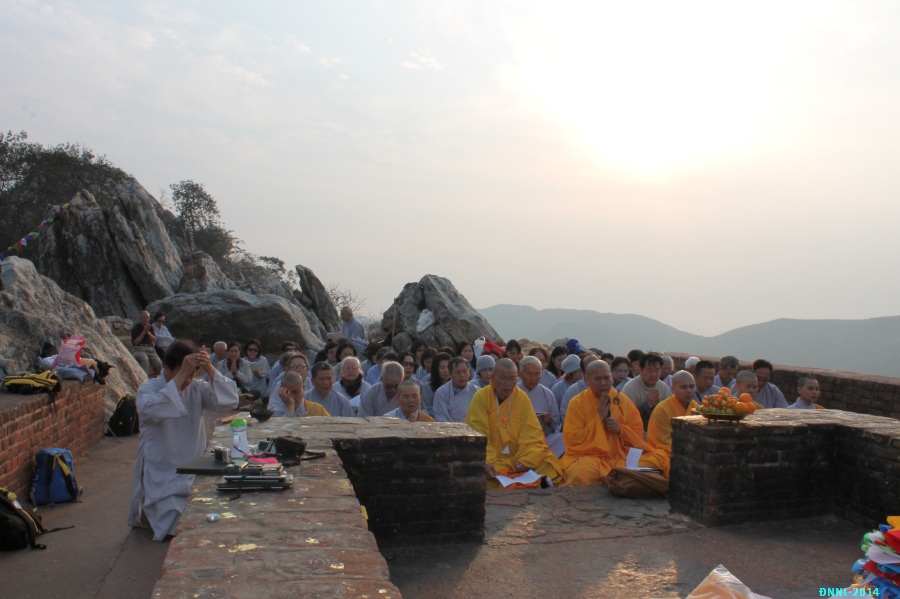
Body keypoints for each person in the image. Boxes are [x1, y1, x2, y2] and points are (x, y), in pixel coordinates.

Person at [128, 340, 238, 541]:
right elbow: (151, 409)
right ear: (166, 368)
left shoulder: (197, 387)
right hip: (162, 469)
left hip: (191, 466)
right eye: (183, 372)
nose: (188, 379)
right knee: (174, 522)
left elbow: (228, 401)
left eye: (192, 373)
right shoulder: (149, 389)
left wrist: (210, 369)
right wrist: (180, 377)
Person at [560, 361, 664, 486]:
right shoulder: (577, 403)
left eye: (606, 378)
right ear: (587, 380)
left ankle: (618, 477)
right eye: (598, 379)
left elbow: (637, 432)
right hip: (591, 457)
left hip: (622, 456)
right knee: (582, 472)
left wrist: (620, 429)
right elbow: (573, 440)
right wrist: (599, 419)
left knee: (658, 460)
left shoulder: (621, 399)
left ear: (611, 377)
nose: (603, 383)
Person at [465, 358, 565, 488]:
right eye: (503, 378)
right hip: (494, 458)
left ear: (517, 378)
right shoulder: (481, 398)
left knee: (546, 464)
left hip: (518, 457)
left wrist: (525, 460)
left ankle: (528, 478)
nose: (508, 384)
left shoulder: (521, 398)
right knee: (487, 472)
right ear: (493, 378)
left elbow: (532, 434)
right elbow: (478, 433)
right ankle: (532, 481)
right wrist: (487, 460)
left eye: (512, 379)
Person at [646, 370, 699, 478]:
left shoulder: (696, 407)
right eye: (683, 387)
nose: (689, 391)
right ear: (673, 388)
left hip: (690, 452)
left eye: (692, 386)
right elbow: (664, 442)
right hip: (664, 453)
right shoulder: (662, 409)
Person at [621, 352, 672, 429]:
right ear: (641, 369)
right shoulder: (630, 388)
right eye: (650, 370)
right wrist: (647, 404)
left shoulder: (664, 388)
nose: (654, 374)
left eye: (657, 370)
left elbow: (669, 414)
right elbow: (626, 417)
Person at [518, 356, 560, 436]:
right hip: (517, 436)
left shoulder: (547, 394)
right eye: (529, 374)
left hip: (542, 437)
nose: (533, 378)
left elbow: (556, 422)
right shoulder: (512, 392)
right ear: (520, 374)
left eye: (537, 374)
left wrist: (549, 420)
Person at [432, 357, 480, 423]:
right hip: (449, 428)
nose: (462, 375)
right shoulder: (441, 392)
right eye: (458, 372)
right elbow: (441, 417)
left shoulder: (477, 391)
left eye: (465, 371)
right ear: (450, 375)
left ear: (469, 372)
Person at [559, 354, 602, 428]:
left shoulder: (610, 390)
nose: (595, 369)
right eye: (591, 366)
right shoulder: (573, 391)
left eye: (598, 365)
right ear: (582, 371)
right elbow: (565, 415)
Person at [131, 310, 162, 376]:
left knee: (159, 364)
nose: (146, 320)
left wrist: (148, 332)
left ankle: (154, 378)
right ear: (140, 318)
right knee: (144, 359)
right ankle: (144, 378)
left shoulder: (151, 327)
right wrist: (144, 332)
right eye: (145, 318)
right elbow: (135, 342)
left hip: (150, 349)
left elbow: (154, 339)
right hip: (139, 349)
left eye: (148, 318)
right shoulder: (135, 328)